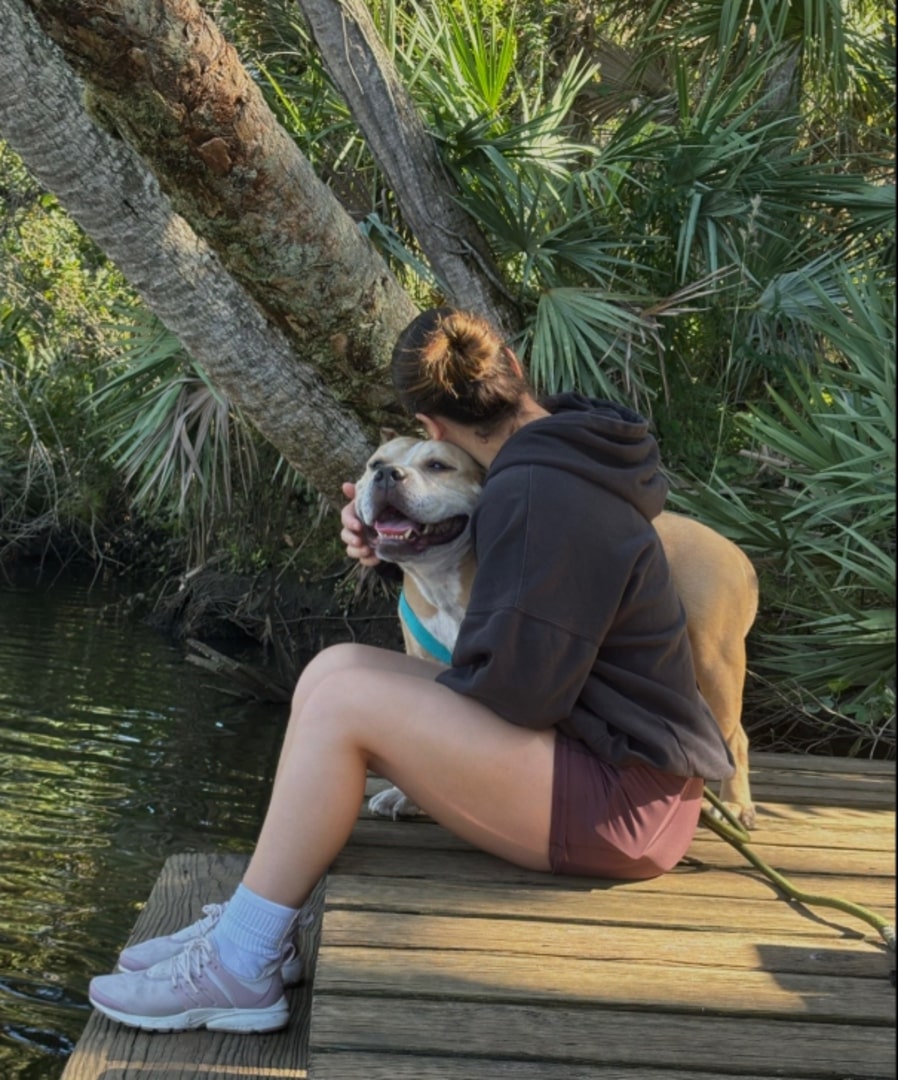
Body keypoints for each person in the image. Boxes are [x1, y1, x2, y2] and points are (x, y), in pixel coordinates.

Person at [88, 307, 734, 1033]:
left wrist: (407, 738)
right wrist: (403, 544)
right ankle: (258, 928)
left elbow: (522, 693)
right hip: (616, 771)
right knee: (333, 672)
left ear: (429, 425)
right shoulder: (570, 451)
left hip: (625, 810)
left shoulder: (538, 493)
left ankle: (240, 964)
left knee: (347, 705)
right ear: (516, 371)